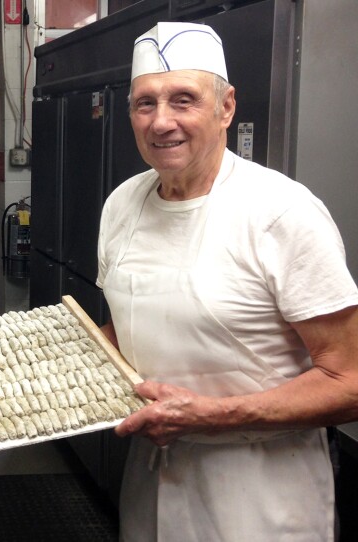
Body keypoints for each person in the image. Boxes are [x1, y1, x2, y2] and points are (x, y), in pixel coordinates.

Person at [96, 22, 358, 540]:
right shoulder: (122, 203)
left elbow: (349, 379)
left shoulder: (280, 212)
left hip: (260, 489)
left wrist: (212, 415)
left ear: (227, 107)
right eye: (144, 103)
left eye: (184, 100)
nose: (161, 122)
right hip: (151, 479)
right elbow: (129, 324)